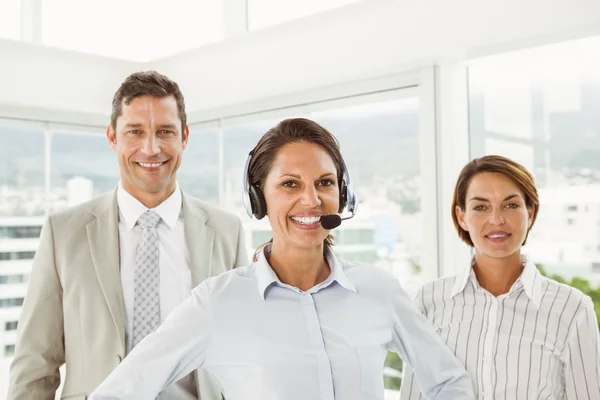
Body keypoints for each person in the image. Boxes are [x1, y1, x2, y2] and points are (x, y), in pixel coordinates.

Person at [89, 117, 474, 400]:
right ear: (259, 198)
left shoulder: (379, 290)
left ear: (343, 196)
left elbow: (449, 382)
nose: (310, 200)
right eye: (290, 184)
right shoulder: (217, 303)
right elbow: (121, 390)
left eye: (324, 183)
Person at [7, 71, 249, 400]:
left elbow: (243, 353)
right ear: (112, 137)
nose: (151, 148)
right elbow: (35, 364)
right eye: (135, 132)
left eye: (165, 131)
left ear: (185, 137)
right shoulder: (63, 233)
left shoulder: (226, 231)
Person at [401, 155, 600, 399]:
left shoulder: (572, 310)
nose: (496, 219)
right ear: (461, 216)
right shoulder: (428, 301)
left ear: (530, 212)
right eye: (481, 207)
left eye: (511, 205)